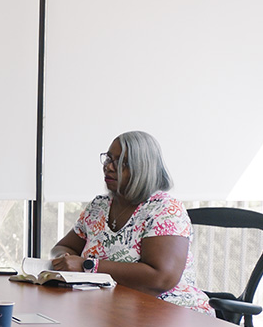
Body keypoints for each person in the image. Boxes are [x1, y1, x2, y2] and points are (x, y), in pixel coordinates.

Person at [51, 131, 213, 315]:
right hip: (111, 310)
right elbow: (62, 247)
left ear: (144, 168)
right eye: (108, 159)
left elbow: (161, 278)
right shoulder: (99, 205)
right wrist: (65, 260)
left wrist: (87, 266)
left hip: (167, 313)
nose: (109, 167)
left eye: (122, 163)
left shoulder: (164, 209)